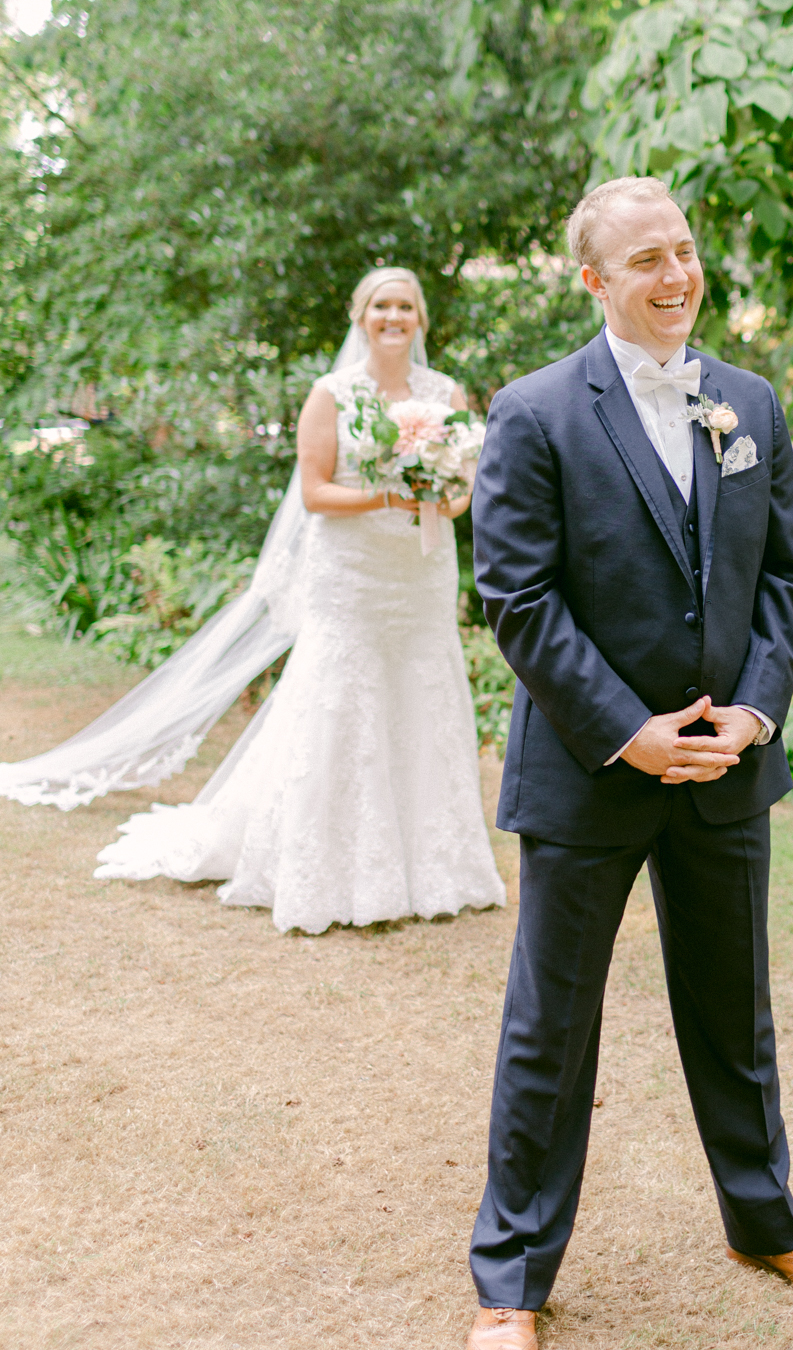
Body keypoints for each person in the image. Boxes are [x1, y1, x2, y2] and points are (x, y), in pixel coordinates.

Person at [464, 178, 793, 1350]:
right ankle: (510, 1279)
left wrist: (753, 711)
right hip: (591, 773)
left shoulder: (744, 402)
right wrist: (626, 731)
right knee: (550, 1031)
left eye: (684, 251)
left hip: (723, 769)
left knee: (731, 1014)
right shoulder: (535, 412)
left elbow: (783, 582)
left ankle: (767, 1224)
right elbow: (518, 600)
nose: (675, 275)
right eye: (644, 258)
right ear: (592, 280)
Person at [92, 267, 505, 934]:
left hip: (419, 572)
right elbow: (315, 494)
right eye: (380, 305)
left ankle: (437, 866)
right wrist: (389, 495)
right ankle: (334, 864)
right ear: (360, 315)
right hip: (352, 574)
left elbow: (462, 487)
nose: (393, 316)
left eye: (405, 306)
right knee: (346, 699)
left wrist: (442, 498)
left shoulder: (445, 392)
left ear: (421, 319)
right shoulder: (332, 395)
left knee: (422, 694)